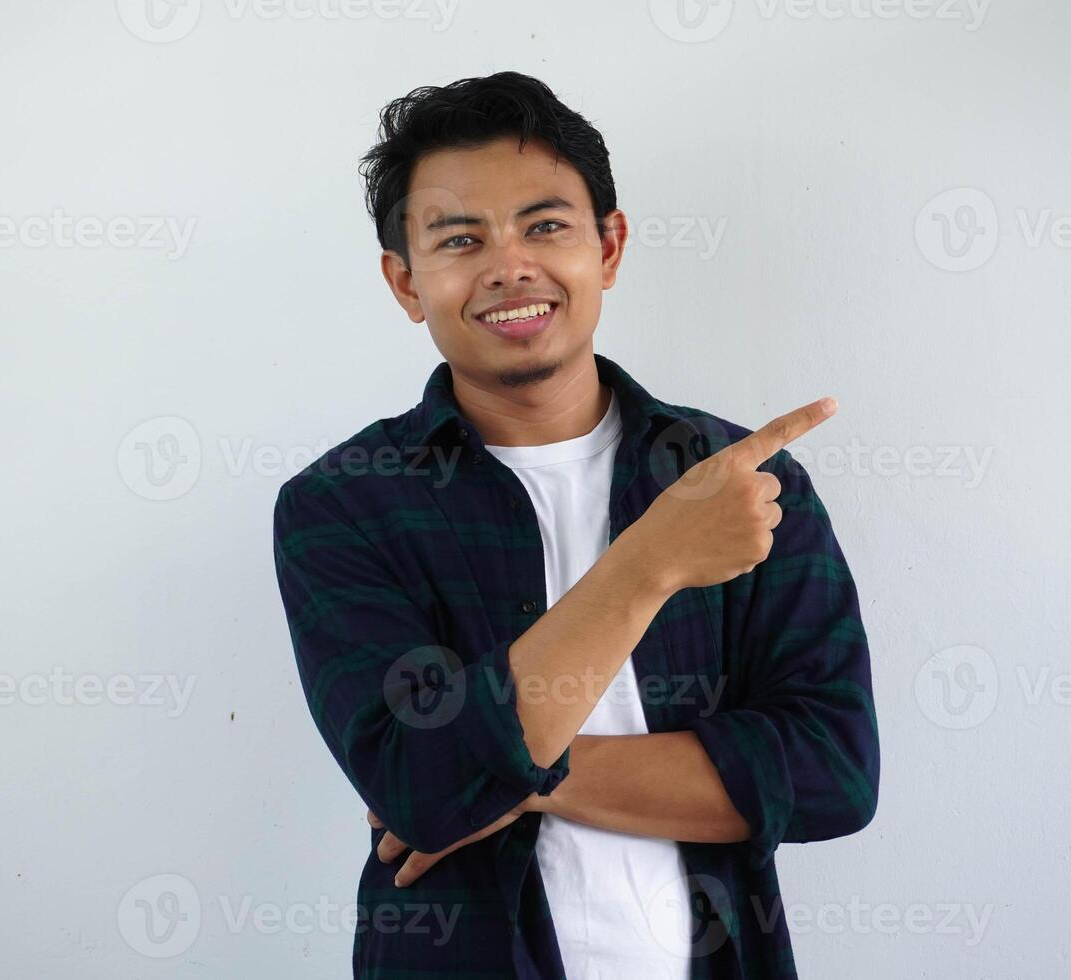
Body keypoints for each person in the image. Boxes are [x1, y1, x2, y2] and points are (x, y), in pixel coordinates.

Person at [271, 70, 880, 979]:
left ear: (610, 245)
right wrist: (650, 565)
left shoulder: (738, 484)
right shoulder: (344, 505)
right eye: (460, 238)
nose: (510, 265)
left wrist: (515, 785)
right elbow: (419, 785)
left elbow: (834, 773)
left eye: (546, 226)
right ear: (406, 282)